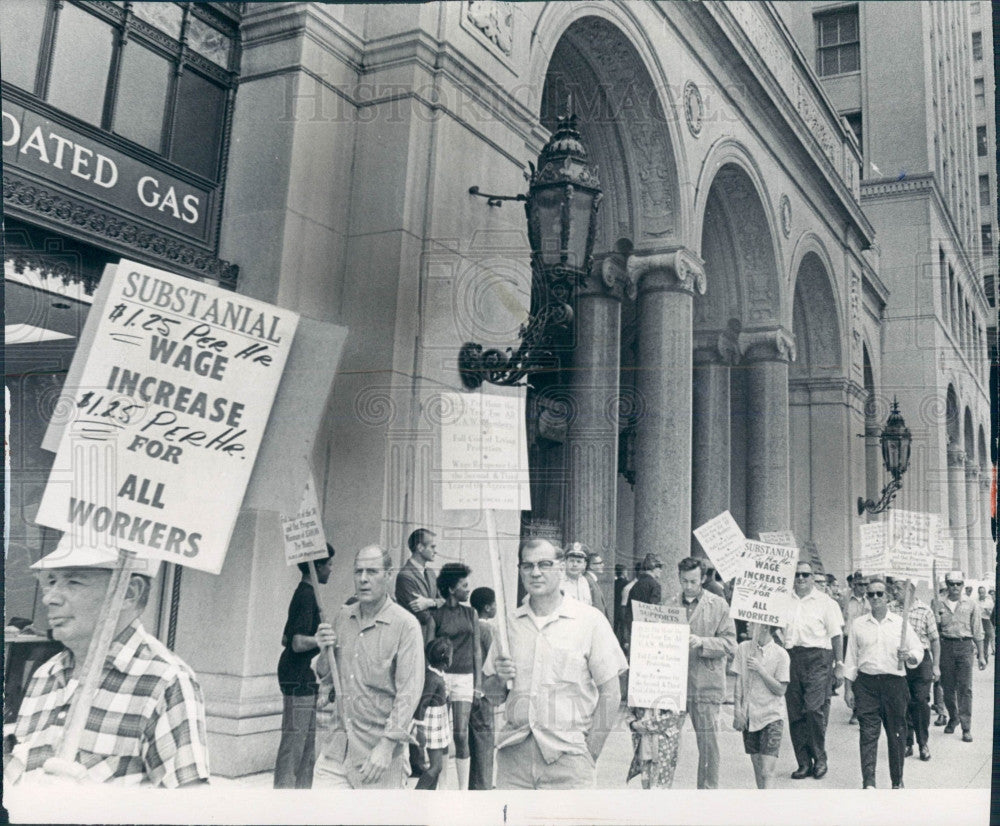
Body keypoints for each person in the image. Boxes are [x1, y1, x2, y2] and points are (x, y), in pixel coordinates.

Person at [8, 544, 209, 787]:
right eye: (50, 581)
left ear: (129, 592)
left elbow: (190, 807)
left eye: (73, 582)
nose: (49, 598)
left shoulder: (164, 680)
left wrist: (92, 805)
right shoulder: (45, 674)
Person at [483, 538, 628, 789]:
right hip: (514, 762)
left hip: (569, 761)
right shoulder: (508, 625)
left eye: (544, 564)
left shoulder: (589, 621)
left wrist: (590, 752)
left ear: (560, 569)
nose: (535, 572)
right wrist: (498, 678)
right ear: (520, 571)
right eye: (527, 566)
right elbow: (492, 696)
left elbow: (611, 692)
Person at [312, 544, 423, 788]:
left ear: (388, 574)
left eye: (372, 572)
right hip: (335, 751)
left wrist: (386, 746)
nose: (363, 579)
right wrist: (322, 650)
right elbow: (325, 676)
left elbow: (408, 693)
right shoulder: (343, 616)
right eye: (358, 571)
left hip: (378, 758)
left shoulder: (406, 626)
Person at [843, 575, 924, 789]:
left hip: (894, 685)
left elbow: (918, 649)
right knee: (868, 734)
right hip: (866, 685)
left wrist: (909, 656)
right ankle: (868, 782)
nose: (875, 597)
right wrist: (848, 688)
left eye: (880, 593)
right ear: (867, 597)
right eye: (871, 594)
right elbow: (851, 658)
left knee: (896, 734)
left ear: (887, 596)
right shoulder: (859, 625)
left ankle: (897, 781)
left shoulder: (900, 623)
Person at [672, 556, 737, 789]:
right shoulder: (669, 605)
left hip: (706, 684)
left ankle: (707, 793)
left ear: (702, 578)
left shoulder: (719, 605)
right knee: (666, 743)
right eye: (684, 581)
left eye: (693, 581)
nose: (688, 586)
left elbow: (730, 644)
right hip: (674, 685)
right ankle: (661, 790)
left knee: (709, 746)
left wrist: (703, 642)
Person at [274, 543, 335, 788]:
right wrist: (320, 640)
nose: (331, 570)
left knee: (307, 747)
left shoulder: (305, 594)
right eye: (329, 564)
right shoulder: (306, 595)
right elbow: (297, 642)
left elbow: (285, 638)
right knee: (294, 745)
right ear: (317, 566)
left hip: (303, 677)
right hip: (296, 676)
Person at [783, 560, 844, 780]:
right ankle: (803, 763)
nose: (800, 579)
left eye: (805, 575)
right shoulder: (783, 600)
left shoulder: (825, 602)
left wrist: (839, 665)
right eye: (797, 575)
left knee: (814, 709)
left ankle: (819, 758)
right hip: (791, 658)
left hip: (818, 658)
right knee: (796, 712)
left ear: (812, 577)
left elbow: (836, 635)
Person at [430, 562, 481, 790]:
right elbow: (430, 650)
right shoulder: (436, 616)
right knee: (441, 737)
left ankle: (462, 791)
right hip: (442, 678)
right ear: (452, 589)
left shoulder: (472, 613)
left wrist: (478, 685)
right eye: (464, 585)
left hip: (464, 679)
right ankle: (443, 788)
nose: (468, 590)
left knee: (460, 734)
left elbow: (477, 651)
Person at [730, 623, 790, 789]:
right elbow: (738, 682)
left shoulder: (781, 654)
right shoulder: (743, 648)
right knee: (757, 767)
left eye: (752, 622)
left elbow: (780, 690)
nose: (748, 625)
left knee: (767, 771)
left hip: (772, 717)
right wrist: (737, 711)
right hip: (750, 716)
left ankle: (766, 808)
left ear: (764, 627)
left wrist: (760, 669)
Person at [887, 579, 939, 761]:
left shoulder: (925, 610)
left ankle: (923, 742)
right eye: (893, 587)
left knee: (920, 701)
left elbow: (934, 640)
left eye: (898, 588)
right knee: (902, 703)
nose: (894, 591)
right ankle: (907, 742)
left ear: (911, 589)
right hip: (897, 661)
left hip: (921, 661)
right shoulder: (890, 609)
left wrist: (936, 666)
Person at [934, 570, 986, 742]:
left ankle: (966, 726)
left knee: (965, 688)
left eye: (958, 584)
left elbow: (977, 630)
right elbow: (934, 630)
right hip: (946, 646)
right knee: (947, 687)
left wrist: (981, 655)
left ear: (963, 585)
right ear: (946, 585)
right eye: (951, 584)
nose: (955, 587)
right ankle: (953, 717)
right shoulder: (938, 603)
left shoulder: (971, 604)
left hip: (964, 646)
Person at [413, 638, 453, 790]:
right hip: (432, 725)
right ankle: (416, 795)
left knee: (438, 767)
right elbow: (423, 704)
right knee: (436, 767)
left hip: (439, 722)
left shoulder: (437, 674)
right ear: (446, 659)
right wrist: (419, 729)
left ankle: (429, 797)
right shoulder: (433, 679)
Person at [468, 587, 497, 790]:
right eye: (494, 603)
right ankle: (483, 786)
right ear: (488, 607)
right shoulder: (487, 629)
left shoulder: (470, 625)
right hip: (484, 690)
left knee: (474, 740)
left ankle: (476, 785)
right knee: (485, 740)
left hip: (469, 687)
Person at [395, 528, 442, 644]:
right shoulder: (405, 576)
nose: (435, 551)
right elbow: (423, 616)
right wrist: (439, 604)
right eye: (432, 547)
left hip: (432, 639)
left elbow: (445, 601)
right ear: (420, 547)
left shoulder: (430, 573)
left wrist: (430, 603)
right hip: (415, 639)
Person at [841, 571, 869, 724]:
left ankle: (861, 709)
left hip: (866, 641)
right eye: (860, 584)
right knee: (852, 673)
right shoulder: (843, 600)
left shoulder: (871, 599)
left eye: (866, 584)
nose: (863, 588)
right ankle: (855, 709)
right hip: (848, 639)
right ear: (853, 584)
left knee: (863, 672)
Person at [561, 542, 595, 607]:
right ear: (565, 562)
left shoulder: (585, 582)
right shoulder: (558, 581)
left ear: (584, 565)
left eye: (579, 561)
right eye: (571, 561)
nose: (575, 564)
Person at [584, 550, 611, 621]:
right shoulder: (587, 580)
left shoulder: (591, 580)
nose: (603, 565)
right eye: (599, 563)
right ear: (591, 566)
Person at [977, 585, 994, 661]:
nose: (982, 594)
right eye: (980, 592)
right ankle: (980, 654)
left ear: (985, 593)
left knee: (986, 639)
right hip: (978, 620)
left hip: (986, 620)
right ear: (978, 593)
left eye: (983, 592)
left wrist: (987, 611)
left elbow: (992, 615)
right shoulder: (975, 601)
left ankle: (985, 656)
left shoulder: (989, 602)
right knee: (978, 638)